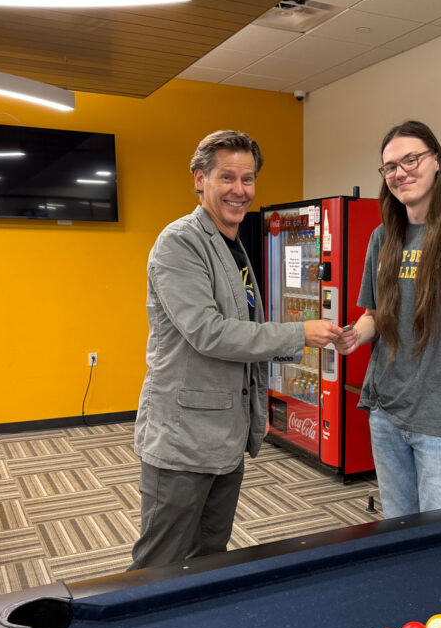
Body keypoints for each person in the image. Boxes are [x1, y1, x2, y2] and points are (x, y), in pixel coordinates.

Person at [131, 130, 341, 569]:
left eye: (248, 180)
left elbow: (242, 329)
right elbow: (209, 333)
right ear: (199, 179)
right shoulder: (179, 242)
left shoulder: (234, 244)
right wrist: (297, 334)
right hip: (183, 439)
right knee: (159, 565)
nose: (239, 191)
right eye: (227, 177)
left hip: (226, 438)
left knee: (210, 559)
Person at [334, 120, 441, 518]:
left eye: (411, 159)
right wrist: (351, 336)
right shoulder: (383, 237)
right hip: (386, 412)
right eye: (390, 167)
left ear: (436, 163)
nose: (400, 172)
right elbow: (376, 315)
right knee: (398, 530)